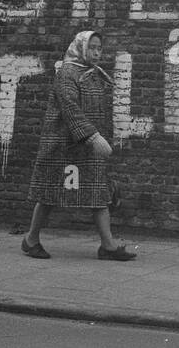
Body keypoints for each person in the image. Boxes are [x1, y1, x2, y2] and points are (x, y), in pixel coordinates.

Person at [21, 30, 135, 261]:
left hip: (85, 147)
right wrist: (93, 137)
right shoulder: (67, 73)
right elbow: (70, 109)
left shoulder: (91, 74)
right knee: (50, 194)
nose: (96, 52)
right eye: (92, 47)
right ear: (81, 47)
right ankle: (31, 239)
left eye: (99, 48)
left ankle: (108, 245)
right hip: (62, 146)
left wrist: (95, 137)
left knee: (98, 192)